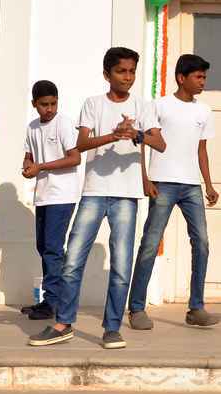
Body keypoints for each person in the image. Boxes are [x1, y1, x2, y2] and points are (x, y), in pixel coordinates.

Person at [28, 47, 165, 349]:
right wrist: (114, 135)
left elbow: (160, 143)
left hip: (126, 196)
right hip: (93, 192)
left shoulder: (143, 106)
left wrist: (136, 134)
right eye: (121, 71)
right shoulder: (93, 104)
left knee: (121, 265)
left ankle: (112, 328)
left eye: (131, 71)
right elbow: (81, 143)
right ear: (107, 74)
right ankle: (63, 324)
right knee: (72, 260)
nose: (127, 77)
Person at [128, 55, 220, 331]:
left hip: (192, 186)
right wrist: (145, 178)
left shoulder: (204, 111)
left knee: (202, 243)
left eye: (204, 77)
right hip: (163, 183)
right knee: (150, 243)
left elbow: (202, 150)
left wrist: (209, 184)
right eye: (198, 77)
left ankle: (196, 308)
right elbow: (142, 143)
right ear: (182, 78)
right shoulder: (159, 106)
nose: (203, 82)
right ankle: (136, 308)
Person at [20, 80, 81, 321]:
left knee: (53, 250)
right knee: (44, 247)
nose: (49, 109)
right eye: (44, 104)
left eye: (53, 104)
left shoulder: (64, 123)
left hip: (62, 195)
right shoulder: (32, 127)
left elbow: (74, 158)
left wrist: (41, 166)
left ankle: (53, 302)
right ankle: (53, 299)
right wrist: (28, 166)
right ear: (34, 104)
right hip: (43, 195)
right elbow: (28, 155)